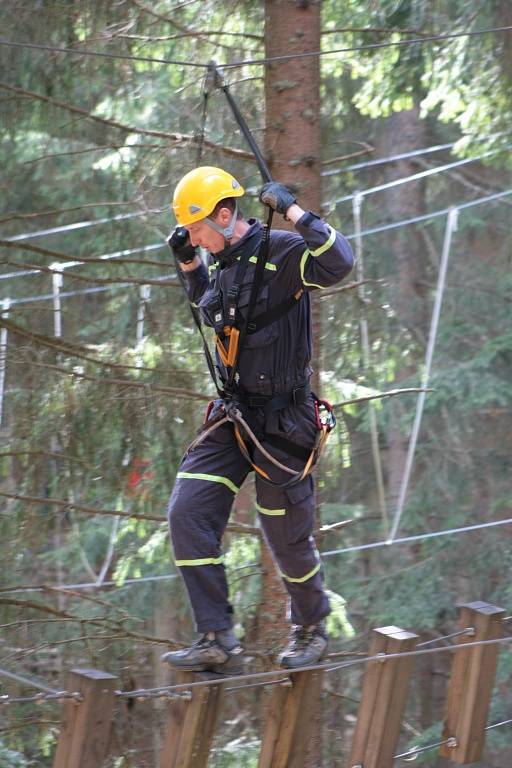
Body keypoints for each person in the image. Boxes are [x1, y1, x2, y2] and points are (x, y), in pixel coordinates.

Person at [161, 166, 353, 674]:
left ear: (225, 216)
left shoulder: (284, 252)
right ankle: (216, 635)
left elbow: (339, 262)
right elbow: (216, 315)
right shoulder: (220, 263)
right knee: (187, 512)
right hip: (234, 416)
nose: (196, 240)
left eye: (199, 231)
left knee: (287, 539)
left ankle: (311, 627)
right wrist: (189, 265)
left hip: (285, 422)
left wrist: (293, 209)